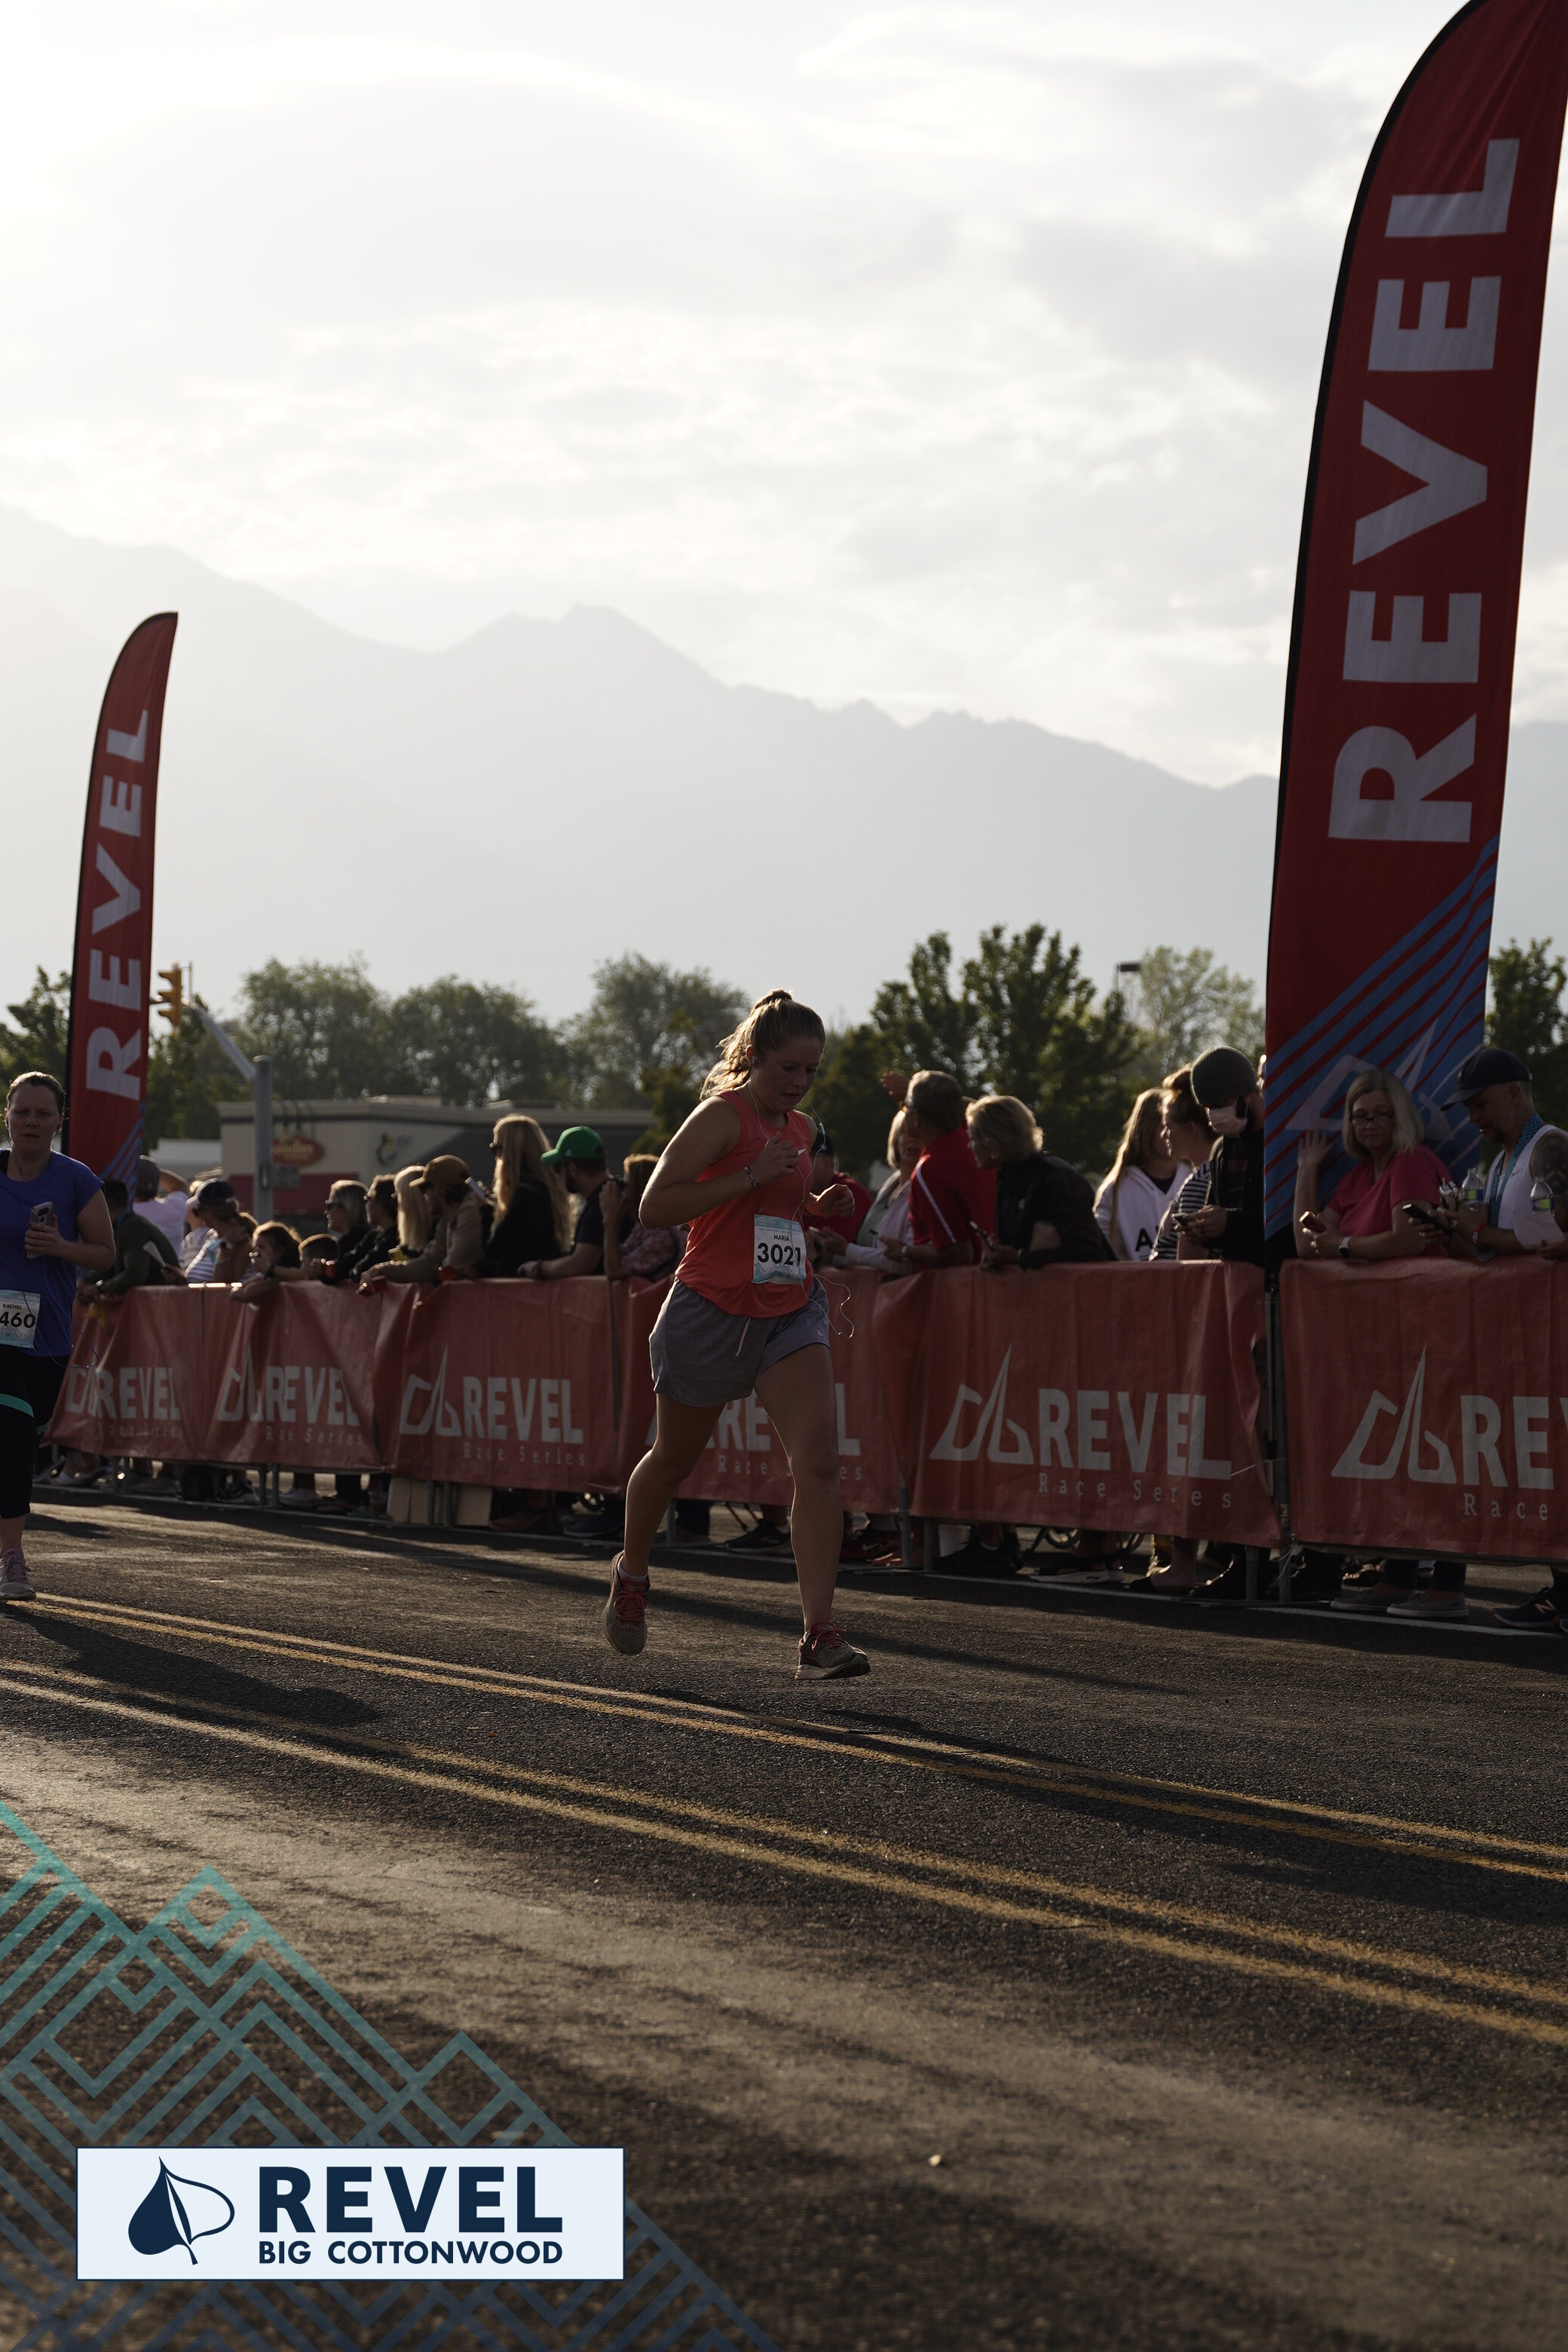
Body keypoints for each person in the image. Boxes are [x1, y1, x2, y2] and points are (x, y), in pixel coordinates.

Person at [601, 990, 870, 1680]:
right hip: (709, 1311)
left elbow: (774, 1214)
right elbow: (655, 1206)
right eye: (789, 1068)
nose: (800, 1083)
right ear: (754, 1057)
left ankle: (818, 1633)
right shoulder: (722, 1117)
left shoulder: (801, 1129)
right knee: (672, 1460)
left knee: (819, 1463)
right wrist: (751, 1175)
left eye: (811, 1070)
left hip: (789, 1311)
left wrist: (815, 1207)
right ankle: (632, 1573)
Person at [0, 1072, 115, 1601]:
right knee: (11, 1433)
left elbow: (106, 1254)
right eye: (21, 1111)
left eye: (42, 1113)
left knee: (21, 1438)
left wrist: (61, 1247)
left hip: (45, 1338)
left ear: (59, 1121)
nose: (30, 1121)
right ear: (7, 1115)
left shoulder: (75, 1180)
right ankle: (12, 1557)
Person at [967, 1095, 1109, 1269]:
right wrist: (1003, 1255)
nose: (970, 1146)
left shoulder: (1056, 1178)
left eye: (973, 1139)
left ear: (993, 1143)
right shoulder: (1009, 1178)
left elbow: (1086, 1252)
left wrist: (1019, 1256)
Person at [892, 1070, 996, 1267]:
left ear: (916, 1118)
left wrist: (904, 1251)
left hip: (966, 1283)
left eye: (906, 1107)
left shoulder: (929, 1170)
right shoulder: (976, 1144)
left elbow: (959, 1254)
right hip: (995, 1277)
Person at [1181, 1047, 1268, 1269]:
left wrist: (1230, 1222)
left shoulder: (1277, 1144)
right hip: (1236, 1278)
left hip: (1275, 1278)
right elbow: (1219, 1214)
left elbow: (1285, 1225)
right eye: (1208, 1108)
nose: (1214, 1116)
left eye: (1220, 1105)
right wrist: (1202, 1229)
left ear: (1246, 1093)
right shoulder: (1221, 1149)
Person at [1095, 1089, 1190, 1260]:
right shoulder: (1115, 1191)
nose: (1169, 1132)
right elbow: (1104, 1255)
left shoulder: (1195, 1177)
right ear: (1145, 1128)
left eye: (1174, 1125)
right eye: (1163, 1125)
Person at [520, 1127, 626, 1280]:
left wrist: (538, 1268)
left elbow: (581, 1264)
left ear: (573, 1169)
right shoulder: (618, 1192)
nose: (558, 1175)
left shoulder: (601, 1205)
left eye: (558, 1168)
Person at [482, 1115, 571, 1276]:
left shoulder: (527, 1196)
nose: (496, 1156)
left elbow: (495, 1250)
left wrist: (485, 1211)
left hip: (523, 1286)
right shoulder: (546, 1189)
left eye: (497, 1149)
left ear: (511, 1152)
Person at [373, 1157, 485, 1285]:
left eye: (424, 1188)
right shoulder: (447, 1220)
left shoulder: (470, 1211)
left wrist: (437, 1270)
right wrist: (383, 1270)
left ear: (439, 1189)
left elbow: (451, 1266)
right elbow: (429, 1264)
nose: (424, 1195)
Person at [1148, 1073, 1217, 1260]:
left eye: (1169, 1127)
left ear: (1192, 1129)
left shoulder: (1199, 1184)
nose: (1164, 1135)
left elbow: (1190, 1265)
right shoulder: (1210, 1175)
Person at [87, 1178, 181, 1296]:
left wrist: (99, 1289)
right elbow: (113, 1267)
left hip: (160, 1302)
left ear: (107, 1206)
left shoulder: (133, 1228)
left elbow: (135, 1274)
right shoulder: (124, 1225)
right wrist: (87, 1280)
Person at [603, 1153, 682, 1280]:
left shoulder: (662, 1236)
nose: (624, 1194)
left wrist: (611, 1220)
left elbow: (614, 1271)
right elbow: (620, 1256)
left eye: (626, 1186)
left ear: (640, 1190)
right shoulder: (644, 1228)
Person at [801, 1129, 873, 1251]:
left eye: (806, 1156)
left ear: (827, 1163)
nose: (799, 1162)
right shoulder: (799, 1192)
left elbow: (829, 1251)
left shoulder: (847, 1191)